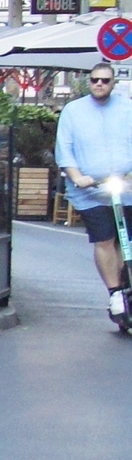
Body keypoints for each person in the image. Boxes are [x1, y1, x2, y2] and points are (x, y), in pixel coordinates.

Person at [57, 65, 132, 319]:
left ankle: (126, 285)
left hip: (126, 188)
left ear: (113, 83)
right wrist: (78, 177)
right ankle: (115, 293)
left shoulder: (127, 108)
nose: (99, 84)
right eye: (95, 80)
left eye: (105, 80)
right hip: (91, 192)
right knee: (104, 239)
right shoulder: (73, 111)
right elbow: (64, 149)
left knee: (125, 243)